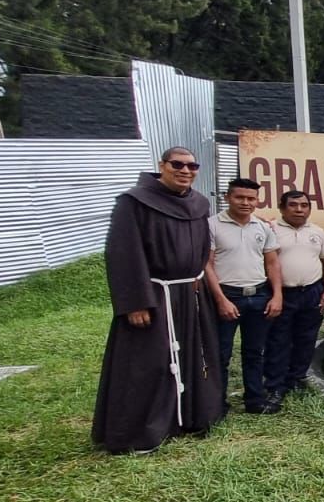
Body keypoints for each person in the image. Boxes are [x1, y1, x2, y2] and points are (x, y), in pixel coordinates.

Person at [92, 147, 226, 454]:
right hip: (154, 293)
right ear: (161, 166)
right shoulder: (133, 202)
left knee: (193, 356)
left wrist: (198, 279)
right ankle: (142, 430)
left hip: (189, 292)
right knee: (148, 363)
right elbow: (122, 253)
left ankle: (188, 417)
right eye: (177, 164)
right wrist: (134, 302)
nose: (185, 170)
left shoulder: (199, 203)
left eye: (192, 165)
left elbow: (203, 249)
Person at [205, 178, 284, 414]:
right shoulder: (212, 225)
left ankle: (255, 400)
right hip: (228, 296)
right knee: (221, 354)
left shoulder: (262, 228)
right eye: (240, 197)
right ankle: (216, 405)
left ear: (257, 201)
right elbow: (207, 265)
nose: (246, 203)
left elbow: (272, 263)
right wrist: (221, 299)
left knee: (255, 352)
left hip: (259, 295)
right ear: (227, 197)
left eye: (251, 198)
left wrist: (277, 295)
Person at [266, 190, 324, 395]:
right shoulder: (271, 229)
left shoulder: (317, 232)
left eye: (304, 205)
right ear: (282, 208)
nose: (299, 209)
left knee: (306, 339)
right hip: (282, 293)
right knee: (279, 340)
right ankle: (274, 386)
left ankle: (296, 379)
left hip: (312, 292)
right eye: (293, 205)